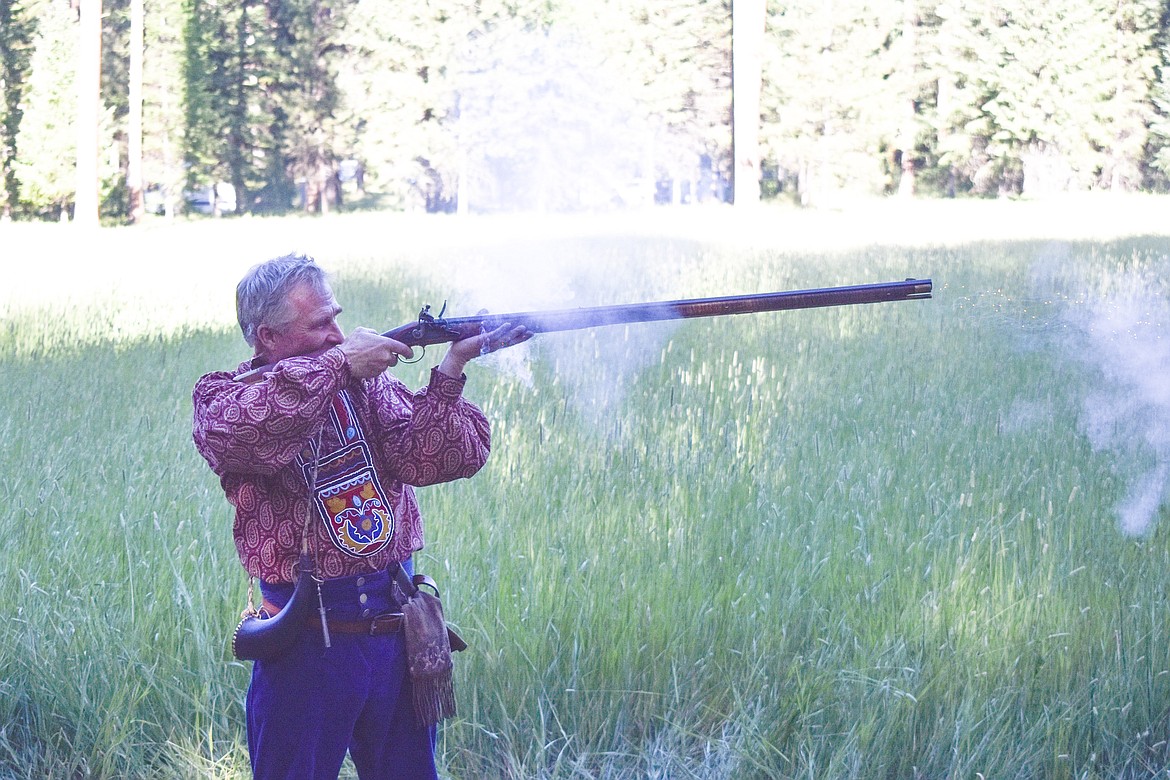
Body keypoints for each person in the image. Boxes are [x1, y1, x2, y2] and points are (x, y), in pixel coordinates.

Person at [192, 253, 529, 779]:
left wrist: (452, 366)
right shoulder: (228, 399)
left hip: (398, 636)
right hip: (306, 642)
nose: (337, 334)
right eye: (319, 323)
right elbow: (242, 431)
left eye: (335, 317)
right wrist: (342, 364)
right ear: (268, 337)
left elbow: (436, 456)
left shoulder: (367, 386)